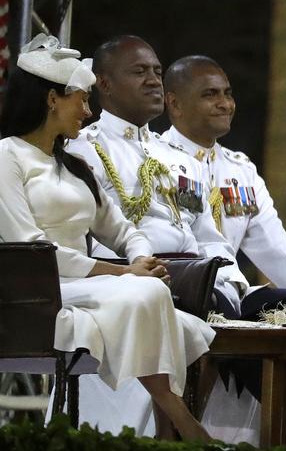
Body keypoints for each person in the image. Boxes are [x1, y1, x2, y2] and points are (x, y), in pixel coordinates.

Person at [66, 37, 286, 445]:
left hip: (204, 279)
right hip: (141, 278)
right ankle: (184, 437)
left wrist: (232, 283)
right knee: (205, 308)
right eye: (140, 73)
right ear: (104, 83)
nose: (153, 80)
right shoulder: (86, 149)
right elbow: (92, 236)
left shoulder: (178, 159)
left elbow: (209, 238)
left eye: (156, 71)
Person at [0, 34, 215, 442]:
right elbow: (31, 249)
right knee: (149, 297)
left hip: (87, 286)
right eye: (80, 99)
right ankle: (175, 416)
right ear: (51, 100)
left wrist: (141, 258)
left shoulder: (75, 164)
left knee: (172, 313)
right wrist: (120, 272)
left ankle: (167, 428)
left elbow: (122, 230)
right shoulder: (6, 156)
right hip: (37, 290)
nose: (87, 109)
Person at [162, 55, 286, 446]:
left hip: (238, 292)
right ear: (174, 103)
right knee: (216, 310)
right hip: (184, 290)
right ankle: (187, 437)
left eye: (227, 93)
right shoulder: (154, 161)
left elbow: (276, 249)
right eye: (210, 95)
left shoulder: (240, 170)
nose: (225, 103)